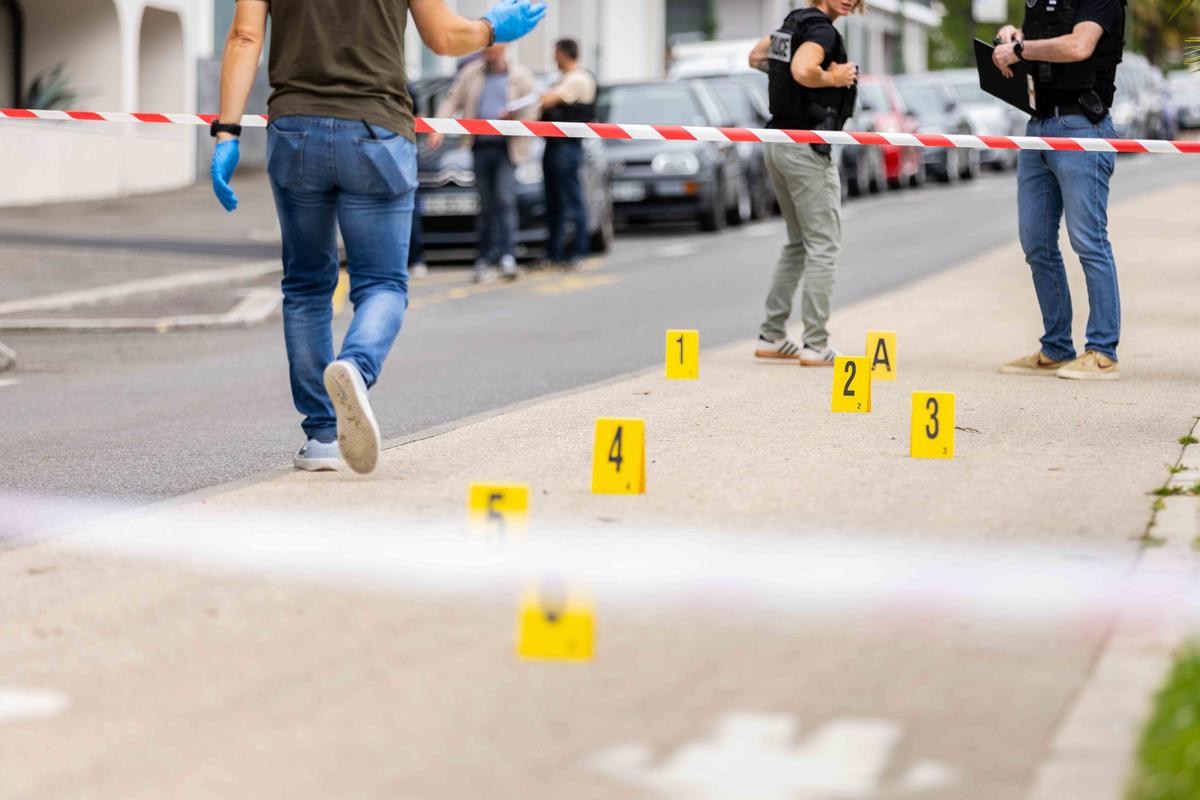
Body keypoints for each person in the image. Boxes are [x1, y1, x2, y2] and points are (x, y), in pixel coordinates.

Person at [210, 0, 547, 474]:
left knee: (306, 286)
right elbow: (445, 38)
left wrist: (227, 133)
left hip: (296, 131)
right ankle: (356, 367)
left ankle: (322, 436)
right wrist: (493, 28)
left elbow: (245, 36)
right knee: (383, 284)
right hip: (376, 132)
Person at [993, 0, 1127, 381]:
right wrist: (1014, 38)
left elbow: (1079, 45)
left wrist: (1019, 49)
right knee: (1035, 241)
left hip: (1081, 125)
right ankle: (1056, 347)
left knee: (1088, 240)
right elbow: (1043, 40)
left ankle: (1102, 352)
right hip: (1037, 125)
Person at [748, 0, 861, 366]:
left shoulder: (794, 22)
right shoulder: (822, 30)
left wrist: (790, 82)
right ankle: (816, 343)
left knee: (798, 243)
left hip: (777, 142)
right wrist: (832, 78)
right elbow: (802, 69)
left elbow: (756, 57)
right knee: (823, 245)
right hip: (806, 147)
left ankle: (772, 335)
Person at [429, 45, 538, 284]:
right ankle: (486, 257)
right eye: (487, 52)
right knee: (486, 204)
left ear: (504, 50)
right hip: (480, 146)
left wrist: (515, 119)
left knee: (505, 200)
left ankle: (507, 255)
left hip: (507, 148)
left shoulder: (520, 76)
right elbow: (452, 100)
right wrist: (438, 126)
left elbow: (533, 110)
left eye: (495, 52)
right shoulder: (471, 73)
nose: (490, 56)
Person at [538, 38, 598, 271]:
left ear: (563, 54)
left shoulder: (578, 79)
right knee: (554, 202)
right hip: (555, 145)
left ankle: (578, 252)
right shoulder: (565, 78)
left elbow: (547, 101)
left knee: (571, 201)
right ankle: (554, 253)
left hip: (567, 147)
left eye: (555, 53)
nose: (553, 58)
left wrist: (542, 100)